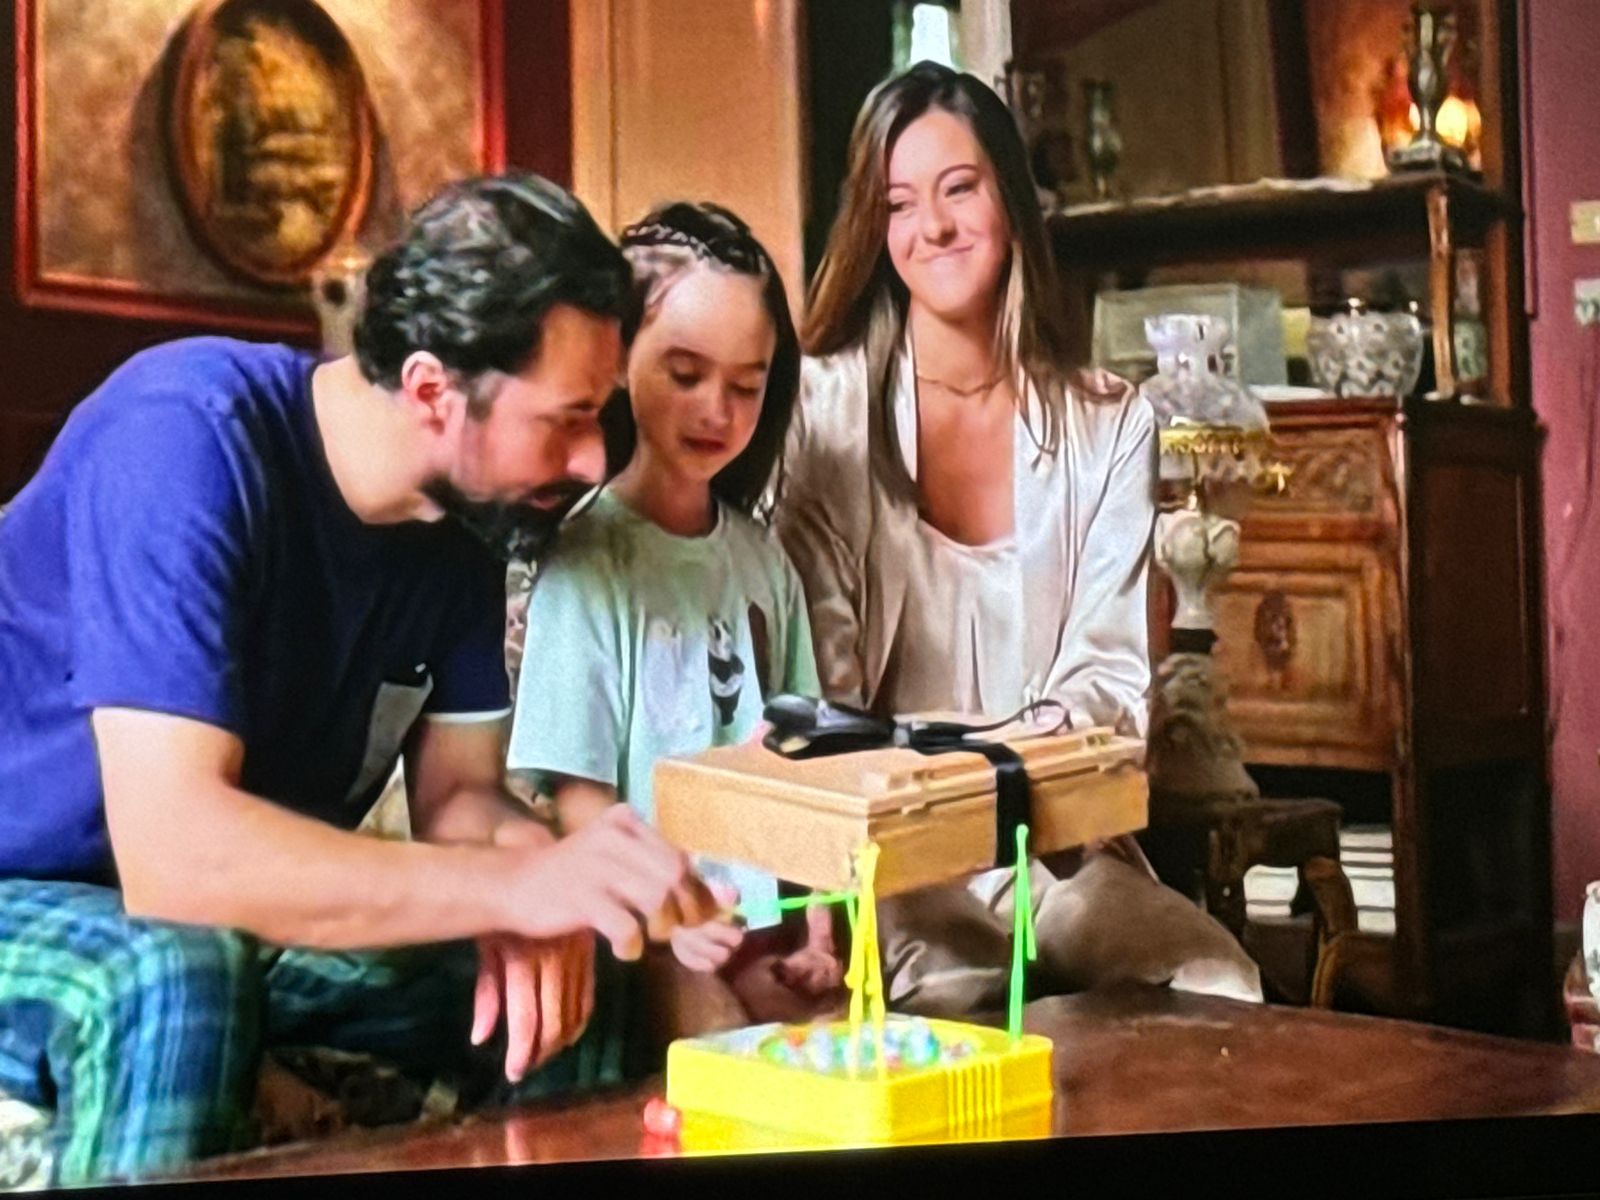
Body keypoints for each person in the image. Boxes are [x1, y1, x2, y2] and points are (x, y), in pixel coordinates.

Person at [0, 173, 718, 1185]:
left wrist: (555, 883)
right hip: (31, 890)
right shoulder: (182, 438)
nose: (594, 458)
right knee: (171, 975)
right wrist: (513, 883)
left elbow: (460, 796)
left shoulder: (461, 526)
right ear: (430, 391)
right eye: (565, 418)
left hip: (217, 918)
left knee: (584, 953)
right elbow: (175, 858)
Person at [777, 62, 1263, 1014]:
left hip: (1053, 849)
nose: (932, 227)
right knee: (967, 1002)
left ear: (1009, 199)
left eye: (959, 189)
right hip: (890, 856)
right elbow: (823, 693)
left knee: (1220, 982)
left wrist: (1015, 787)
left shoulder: (1107, 422)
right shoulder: (820, 409)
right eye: (899, 204)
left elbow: (1108, 680)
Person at [507, 203, 842, 1048]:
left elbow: (806, 766)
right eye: (685, 374)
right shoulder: (589, 563)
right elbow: (579, 798)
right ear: (620, 361)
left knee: (853, 1055)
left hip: (760, 927)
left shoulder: (763, 562)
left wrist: (823, 931)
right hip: (644, 937)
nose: (716, 411)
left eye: (746, 386)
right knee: (732, 1057)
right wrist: (667, 919)